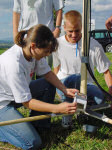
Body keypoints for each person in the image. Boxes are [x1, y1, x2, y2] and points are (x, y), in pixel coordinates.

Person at [0, 24, 78, 150]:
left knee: (48, 85)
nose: (47, 55)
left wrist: (64, 89)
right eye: (46, 51)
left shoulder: (32, 52)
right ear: (33, 46)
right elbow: (27, 102)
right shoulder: (13, 63)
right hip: (2, 104)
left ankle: (39, 126)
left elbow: (47, 73)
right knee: (33, 143)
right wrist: (57, 108)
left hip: (14, 95)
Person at [53, 10, 112, 128]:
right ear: (64, 27)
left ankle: (81, 110)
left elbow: (105, 71)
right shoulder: (58, 44)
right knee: (75, 78)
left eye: (77, 31)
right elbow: (56, 69)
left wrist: (111, 94)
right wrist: (57, 89)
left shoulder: (93, 45)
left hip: (86, 86)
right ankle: (68, 116)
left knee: (100, 100)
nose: (74, 35)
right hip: (65, 85)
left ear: (82, 28)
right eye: (70, 31)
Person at [13, 0, 64, 67]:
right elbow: (16, 12)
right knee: (25, 71)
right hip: (26, 35)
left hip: (46, 36)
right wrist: (15, 33)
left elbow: (59, 9)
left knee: (44, 72)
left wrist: (57, 29)